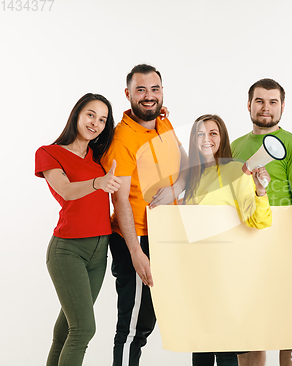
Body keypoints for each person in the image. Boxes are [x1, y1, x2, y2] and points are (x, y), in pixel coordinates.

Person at [100, 64, 188, 366]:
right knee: (133, 325)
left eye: (155, 89)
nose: (149, 96)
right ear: (128, 94)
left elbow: (184, 159)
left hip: (167, 234)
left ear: (162, 92)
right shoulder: (122, 139)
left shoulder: (163, 122)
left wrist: (179, 186)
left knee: (149, 322)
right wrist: (135, 252)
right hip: (137, 237)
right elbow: (119, 199)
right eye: (141, 90)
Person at [231, 78, 292, 366]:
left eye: (273, 102)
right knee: (249, 331)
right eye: (259, 101)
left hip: (285, 249)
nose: (266, 108)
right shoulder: (235, 145)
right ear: (249, 104)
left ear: (282, 107)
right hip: (244, 248)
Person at [35, 93, 121, 366]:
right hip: (68, 250)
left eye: (103, 119)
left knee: (65, 331)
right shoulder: (49, 152)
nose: (96, 123)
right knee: (84, 329)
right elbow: (67, 190)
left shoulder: (100, 157)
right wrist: (99, 183)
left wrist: (160, 117)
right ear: (76, 115)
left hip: (99, 252)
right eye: (91, 115)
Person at [184, 114, 272, 366]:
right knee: (200, 345)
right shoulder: (191, 177)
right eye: (200, 133)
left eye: (213, 133)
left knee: (225, 348)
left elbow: (259, 221)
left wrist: (261, 191)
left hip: (227, 274)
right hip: (199, 274)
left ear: (222, 138)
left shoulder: (236, 169)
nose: (206, 139)